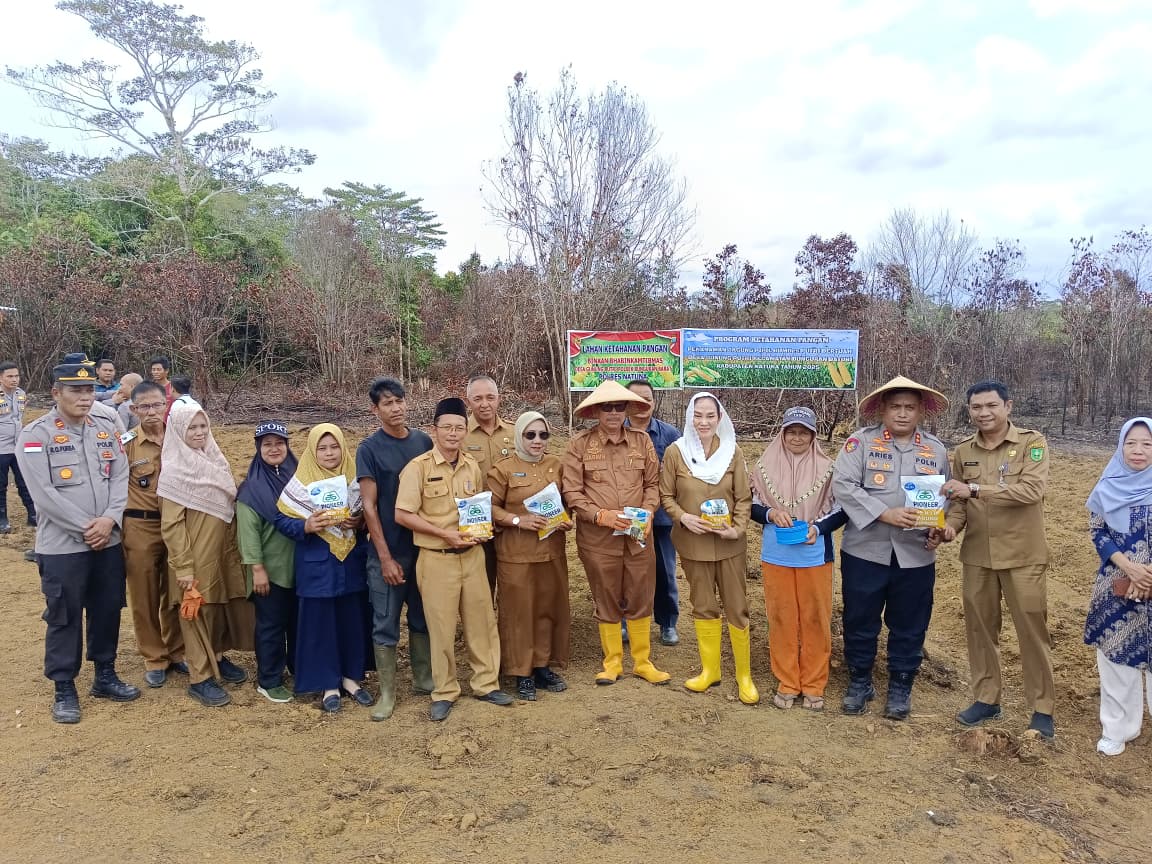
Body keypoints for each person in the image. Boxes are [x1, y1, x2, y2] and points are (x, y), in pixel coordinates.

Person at [16, 362, 139, 723]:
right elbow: (43, 495)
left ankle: (105, 675)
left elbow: (120, 476)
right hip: (63, 546)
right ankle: (64, 687)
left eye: (89, 391)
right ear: (56, 393)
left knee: (107, 608)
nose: (85, 398)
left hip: (108, 540)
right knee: (64, 614)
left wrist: (110, 520)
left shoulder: (106, 428)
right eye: (76, 391)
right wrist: (89, 527)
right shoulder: (35, 435)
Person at [937, 381, 1055, 740]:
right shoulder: (963, 451)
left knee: (1031, 631)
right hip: (978, 556)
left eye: (991, 405)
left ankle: (1042, 709)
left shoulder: (1032, 443)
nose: (983, 413)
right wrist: (950, 528)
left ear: (1008, 406)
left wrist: (975, 489)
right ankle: (987, 698)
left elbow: (1031, 491)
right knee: (980, 630)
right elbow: (959, 504)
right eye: (976, 407)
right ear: (969, 410)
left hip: (1023, 555)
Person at [831, 376, 950, 720]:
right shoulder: (860, 443)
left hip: (916, 555)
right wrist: (885, 513)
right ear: (882, 409)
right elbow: (843, 485)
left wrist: (938, 528)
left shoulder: (936, 450)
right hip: (865, 550)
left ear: (921, 411)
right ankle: (860, 681)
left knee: (910, 622)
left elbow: (945, 498)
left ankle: (901, 684)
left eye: (909, 407)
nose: (902, 413)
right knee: (860, 618)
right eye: (895, 406)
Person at [395, 397, 513, 721]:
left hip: (472, 556)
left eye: (459, 428)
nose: (453, 433)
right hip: (437, 559)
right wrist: (443, 534)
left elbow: (476, 507)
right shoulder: (418, 468)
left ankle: (486, 684)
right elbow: (403, 514)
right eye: (446, 427)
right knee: (442, 629)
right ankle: (445, 691)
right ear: (434, 430)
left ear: (465, 431)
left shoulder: (471, 466)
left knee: (482, 623)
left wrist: (480, 530)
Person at [561, 380, 669, 686]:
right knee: (606, 596)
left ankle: (643, 662)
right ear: (596, 411)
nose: (613, 412)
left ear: (626, 410)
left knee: (641, 595)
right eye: (606, 407)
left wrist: (647, 511)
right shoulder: (579, 445)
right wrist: (600, 515)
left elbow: (653, 484)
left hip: (637, 537)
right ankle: (612, 662)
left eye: (618, 406)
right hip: (598, 540)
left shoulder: (641, 442)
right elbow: (572, 491)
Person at [659, 393, 756, 704]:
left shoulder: (732, 451)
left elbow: (743, 498)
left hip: (729, 544)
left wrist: (737, 528)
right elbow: (666, 496)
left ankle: (744, 675)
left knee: (736, 606)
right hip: (693, 542)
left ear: (719, 418)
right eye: (698, 415)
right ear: (690, 417)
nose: (703, 421)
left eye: (710, 416)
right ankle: (710, 671)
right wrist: (683, 517)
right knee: (702, 605)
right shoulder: (676, 453)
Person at [158, 402, 255, 708]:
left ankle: (217, 657)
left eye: (203, 426)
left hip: (221, 550)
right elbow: (172, 525)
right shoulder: (174, 471)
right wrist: (183, 566)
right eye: (192, 428)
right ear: (178, 431)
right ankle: (200, 677)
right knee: (195, 610)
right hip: (194, 556)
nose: (199, 433)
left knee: (217, 607)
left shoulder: (214, 458)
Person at [751, 406, 847, 711]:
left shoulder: (829, 469)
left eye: (803, 432)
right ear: (782, 434)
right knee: (781, 617)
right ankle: (788, 681)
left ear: (813, 435)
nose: (796, 438)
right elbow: (751, 504)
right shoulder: (763, 466)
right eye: (791, 432)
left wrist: (818, 528)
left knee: (815, 617)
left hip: (814, 553)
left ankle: (814, 683)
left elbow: (841, 510)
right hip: (776, 553)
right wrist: (770, 513)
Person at [275, 424, 373, 713]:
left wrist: (359, 522)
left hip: (351, 564)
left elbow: (370, 514)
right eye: (322, 448)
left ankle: (351, 678)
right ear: (312, 451)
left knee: (352, 621)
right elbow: (281, 520)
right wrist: (306, 525)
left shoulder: (355, 478)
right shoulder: (300, 483)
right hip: (317, 567)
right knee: (321, 625)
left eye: (334, 447)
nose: (329, 453)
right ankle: (328, 683)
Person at [356, 377, 435, 721]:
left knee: (422, 617)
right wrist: (385, 557)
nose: (396, 408)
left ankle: (424, 678)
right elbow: (369, 506)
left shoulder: (423, 441)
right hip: (388, 552)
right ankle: (387, 693)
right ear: (375, 409)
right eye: (387, 403)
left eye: (399, 400)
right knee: (385, 623)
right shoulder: (369, 449)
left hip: (422, 549)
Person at [488, 411, 572, 701]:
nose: (537, 441)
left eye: (543, 435)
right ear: (519, 436)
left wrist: (566, 519)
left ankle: (542, 665)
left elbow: (567, 501)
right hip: (516, 553)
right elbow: (490, 507)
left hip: (551, 552)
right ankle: (521, 671)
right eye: (530, 435)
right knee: (519, 612)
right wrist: (517, 520)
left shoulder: (556, 465)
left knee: (547, 609)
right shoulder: (503, 469)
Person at [1084, 417, 1152, 756]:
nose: (1138, 450)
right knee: (1116, 653)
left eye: (1147, 444)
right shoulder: (1108, 484)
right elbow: (1098, 532)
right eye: (1131, 443)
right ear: (1121, 446)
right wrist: (1129, 567)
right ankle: (1118, 728)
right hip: (1117, 582)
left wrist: (1148, 574)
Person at [121, 381, 186, 688]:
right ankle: (154, 656)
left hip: (176, 526)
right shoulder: (126, 444)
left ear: (166, 404)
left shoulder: (180, 438)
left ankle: (177, 650)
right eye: (144, 406)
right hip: (140, 526)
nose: (151, 412)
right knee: (144, 594)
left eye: (157, 405)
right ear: (134, 409)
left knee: (175, 591)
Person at [236, 421, 298, 704]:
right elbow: (247, 532)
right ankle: (269, 679)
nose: (274, 449)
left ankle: (298, 668)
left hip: (298, 567)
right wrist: (257, 568)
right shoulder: (252, 489)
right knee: (271, 626)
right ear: (258, 449)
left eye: (279, 443)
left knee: (297, 623)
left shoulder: (298, 479)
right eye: (267, 444)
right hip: (270, 571)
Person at [625, 379, 683, 647]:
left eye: (647, 399)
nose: (642, 405)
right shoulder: (616, 432)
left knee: (664, 571)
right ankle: (625, 620)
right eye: (635, 400)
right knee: (627, 571)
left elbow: (683, 473)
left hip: (660, 518)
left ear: (654, 401)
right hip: (625, 516)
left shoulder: (670, 435)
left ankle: (667, 622)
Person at [463, 374, 515, 597]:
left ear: (499, 399)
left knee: (513, 583)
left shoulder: (515, 432)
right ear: (468, 401)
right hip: (477, 523)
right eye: (478, 399)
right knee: (481, 587)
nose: (484, 404)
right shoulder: (460, 434)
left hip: (512, 521)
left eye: (490, 397)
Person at [0, 361, 37, 533]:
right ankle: (2, 518)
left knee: (25, 481)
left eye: (16, 376)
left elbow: (19, 418)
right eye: (10, 376)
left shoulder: (20, 394)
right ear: (1, 378)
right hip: (1, 448)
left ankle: (33, 514)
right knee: (1, 485)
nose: (14, 379)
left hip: (18, 446)